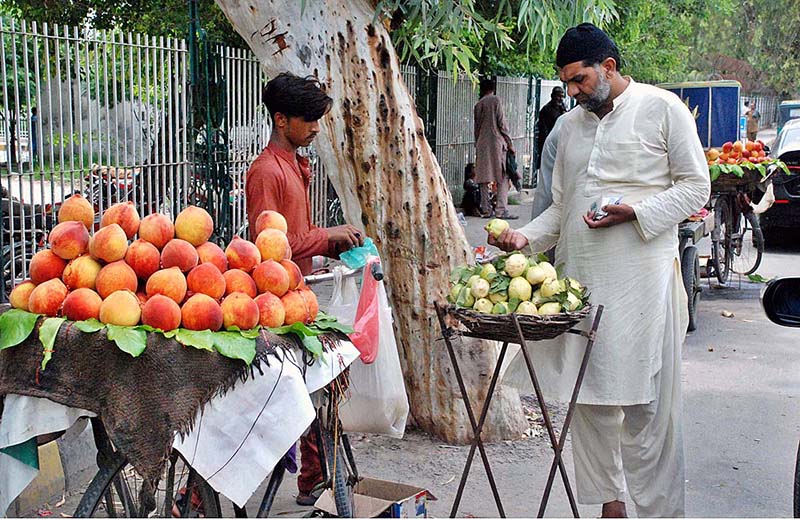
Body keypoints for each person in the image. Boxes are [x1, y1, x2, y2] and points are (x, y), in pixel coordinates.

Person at [491, 23, 709, 517]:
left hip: (644, 286)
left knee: (648, 408)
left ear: (608, 67)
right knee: (587, 398)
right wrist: (525, 236)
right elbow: (561, 209)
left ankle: (658, 511)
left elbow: (697, 189)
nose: (572, 92)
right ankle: (610, 504)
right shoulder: (569, 127)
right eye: (566, 83)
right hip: (581, 283)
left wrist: (635, 211)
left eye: (579, 80)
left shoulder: (663, 109)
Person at [245, 72, 364, 506]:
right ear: (281, 119)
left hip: (302, 295)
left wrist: (329, 242)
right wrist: (327, 237)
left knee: (318, 388)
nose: (316, 127)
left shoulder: (294, 164)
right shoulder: (265, 172)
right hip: (278, 303)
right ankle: (197, 497)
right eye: (309, 120)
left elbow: (298, 232)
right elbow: (270, 247)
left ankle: (312, 476)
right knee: (274, 400)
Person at [473, 77, 517, 219]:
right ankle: (501, 210)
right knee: (502, 176)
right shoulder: (495, 100)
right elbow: (501, 123)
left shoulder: (478, 104)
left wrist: (477, 143)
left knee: (483, 178)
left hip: (482, 144)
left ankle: (486, 209)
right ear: (493, 88)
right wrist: (510, 143)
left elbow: (477, 128)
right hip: (497, 144)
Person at [536, 86, 567, 169]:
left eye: (562, 97)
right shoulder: (546, 110)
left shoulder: (562, 108)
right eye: (558, 96)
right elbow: (543, 130)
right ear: (552, 96)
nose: (560, 99)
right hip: (549, 143)